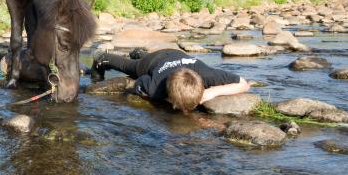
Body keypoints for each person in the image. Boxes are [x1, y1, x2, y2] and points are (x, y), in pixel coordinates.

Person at [90, 48, 250, 111]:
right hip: (151, 62)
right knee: (129, 66)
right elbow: (138, 83)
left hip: (175, 53)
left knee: (144, 57)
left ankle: (139, 52)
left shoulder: (207, 75)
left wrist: (213, 92)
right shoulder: (155, 88)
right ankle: (101, 57)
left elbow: (244, 84)